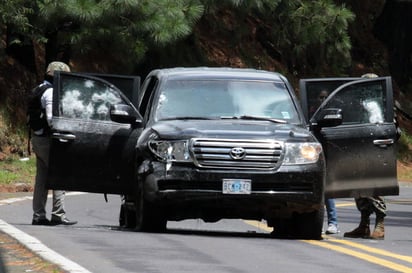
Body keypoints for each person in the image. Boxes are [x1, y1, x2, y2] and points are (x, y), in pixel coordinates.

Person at [31, 61, 77, 226]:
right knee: (59, 174)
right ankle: (58, 214)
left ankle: (38, 215)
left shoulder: (38, 89)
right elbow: (51, 119)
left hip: (37, 138)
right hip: (48, 140)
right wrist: (64, 133)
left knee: (42, 178)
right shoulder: (50, 92)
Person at [344, 73, 388, 239]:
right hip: (358, 149)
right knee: (358, 187)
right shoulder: (359, 104)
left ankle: (380, 223)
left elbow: (382, 128)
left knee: (373, 187)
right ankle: (364, 225)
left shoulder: (378, 105)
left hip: (373, 150)